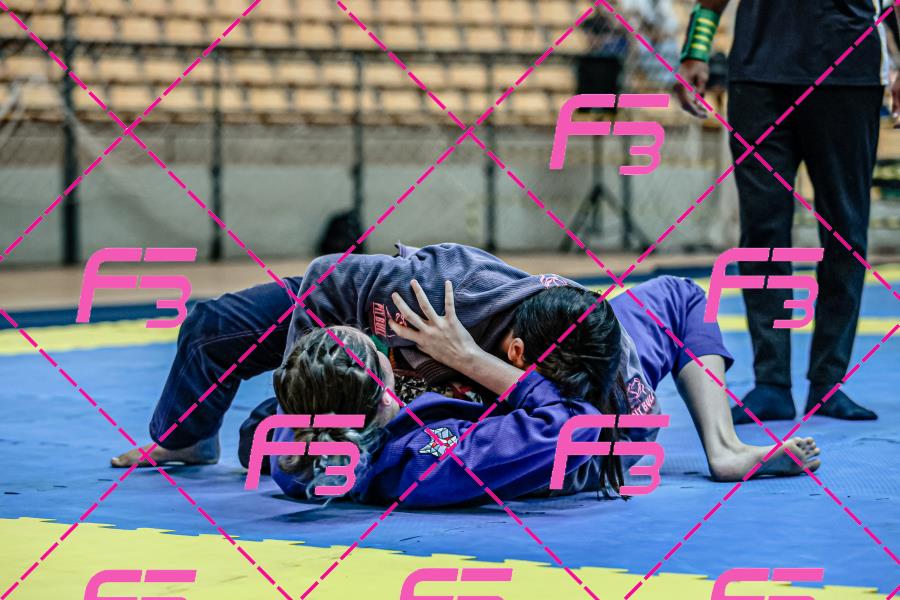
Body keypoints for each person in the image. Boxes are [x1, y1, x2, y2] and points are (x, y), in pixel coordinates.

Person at [269, 277, 820, 508]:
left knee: (675, 293)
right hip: (599, 431)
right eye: (379, 355)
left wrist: (296, 429)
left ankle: (724, 444)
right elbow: (563, 427)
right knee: (678, 298)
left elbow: (294, 456)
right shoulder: (430, 459)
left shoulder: (321, 446)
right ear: (384, 393)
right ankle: (724, 448)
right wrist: (468, 358)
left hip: (520, 391)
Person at [112, 242, 647, 468]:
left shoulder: (599, 342)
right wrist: (311, 377)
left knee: (259, 442)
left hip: (407, 382)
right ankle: (185, 440)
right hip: (344, 312)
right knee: (209, 329)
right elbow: (329, 275)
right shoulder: (446, 288)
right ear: (516, 352)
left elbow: (637, 430)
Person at [674, 0, 899, 422]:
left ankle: (828, 382)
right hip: (759, 78)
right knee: (762, 232)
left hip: (847, 75)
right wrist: (695, 49)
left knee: (845, 231)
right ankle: (771, 382)